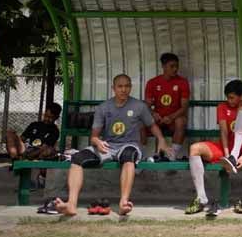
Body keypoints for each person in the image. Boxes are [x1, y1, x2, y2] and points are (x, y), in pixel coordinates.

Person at [55, 74, 172, 216]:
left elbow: (152, 125)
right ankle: (71, 204)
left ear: (131, 88)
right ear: (113, 88)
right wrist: (97, 142)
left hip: (129, 145)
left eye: (127, 86)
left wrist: (161, 139)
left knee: (129, 156)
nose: (124, 90)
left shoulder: (139, 106)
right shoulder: (103, 108)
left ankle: (123, 203)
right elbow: (94, 136)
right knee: (77, 159)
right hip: (108, 146)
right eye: (120, 86)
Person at [185, 80, 242, 216]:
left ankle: (234, 156)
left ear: (241, 96)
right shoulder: (222, 107)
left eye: (232, 97)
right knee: (194, 148)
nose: (229, 100)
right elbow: (223, 132)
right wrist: (226, 154)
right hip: (225, 150)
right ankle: (201, 198)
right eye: (227, 97)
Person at [143, 52, 190, 160]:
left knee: (181, 121)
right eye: (172, 66)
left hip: (173, 119)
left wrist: (171, 117)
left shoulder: (182, 82)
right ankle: (141, 156)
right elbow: (147, 105)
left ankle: (172, 154)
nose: (175, 69)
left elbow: (184, 107)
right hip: (158, 119)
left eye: (176, 66)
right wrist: (153, 113)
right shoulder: (152, 83)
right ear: (163, 66)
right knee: (140, 122)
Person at [5, 102, 62, 188]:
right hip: (25, 150)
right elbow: (22, 139)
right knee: (10, 133)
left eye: (50, 117)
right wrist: (16, 143)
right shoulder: (34, 125)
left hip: (38, 153)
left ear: (56, 118)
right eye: (46, 116)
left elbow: (45, 147)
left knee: (48, 151)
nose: (47, 119)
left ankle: (22, 163)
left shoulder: (55, 131)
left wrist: (29, 156)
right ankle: (15, 161)